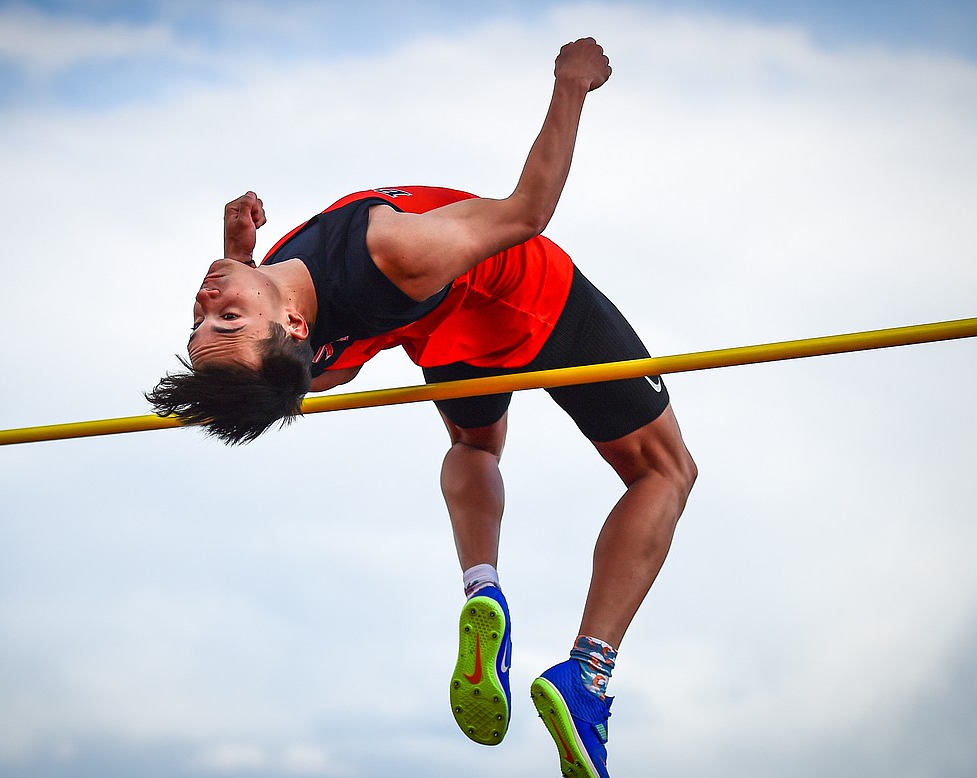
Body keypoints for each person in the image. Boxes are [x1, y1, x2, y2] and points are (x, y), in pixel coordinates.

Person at [147, 38, 696, 778]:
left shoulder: (309, 347)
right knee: (664, 472)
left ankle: (482, 588)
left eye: (206, 318)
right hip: (532, 302)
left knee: (475, 449)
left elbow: (265, 374)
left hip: (444, 342)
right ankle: (587, 676)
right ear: (295, 328)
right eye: (226, 320)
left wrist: (238, 256)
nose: (207, 302)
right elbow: (526, 212)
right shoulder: (392, 250)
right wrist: (572, 83)